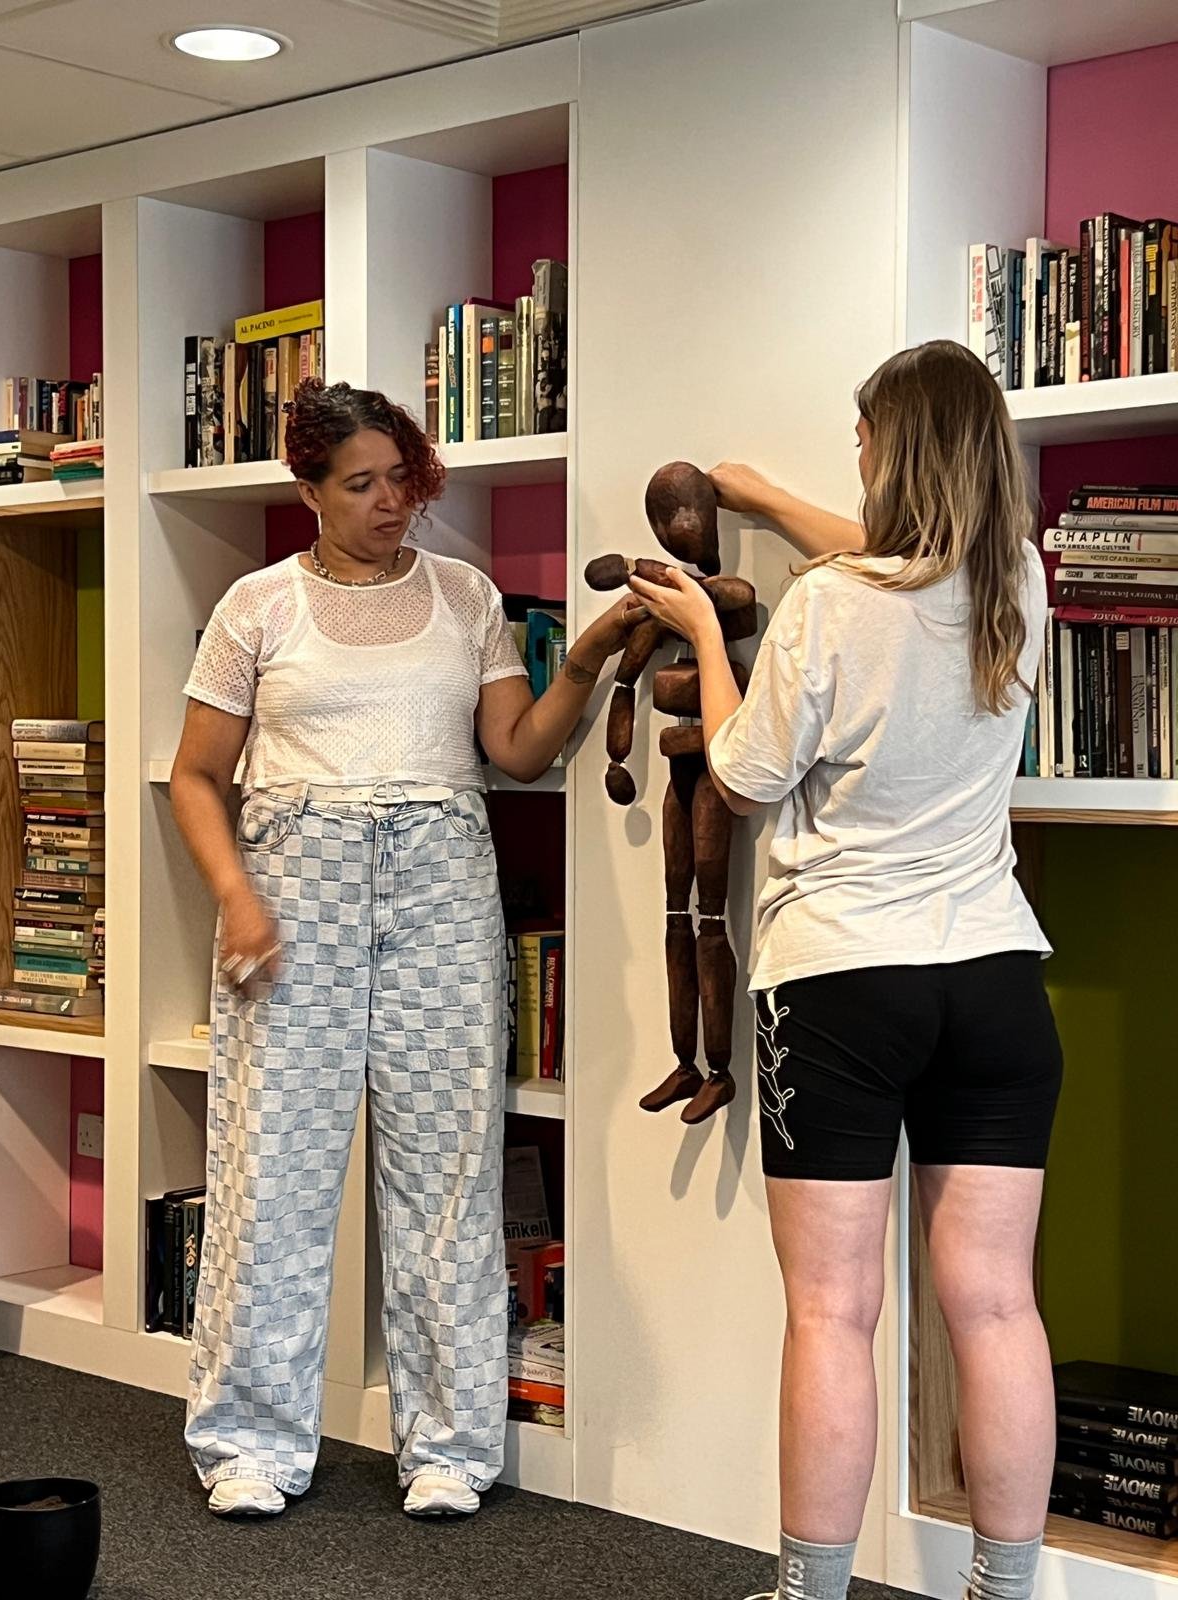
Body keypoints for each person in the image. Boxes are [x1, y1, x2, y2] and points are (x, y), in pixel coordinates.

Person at [631, 340, 1062, 1600]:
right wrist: (763, 499)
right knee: (994, 1309)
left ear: (896, 454)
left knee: (833, 1312)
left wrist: (710, 631)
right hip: (992, 981)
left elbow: (745, 772)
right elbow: (902, 555)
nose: (855, 461)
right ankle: (1006, 1588)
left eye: (865, 442)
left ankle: (810, 1593)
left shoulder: (823, 607)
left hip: (839, 987)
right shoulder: (1016, 583)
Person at [171, 378, 640, 1521]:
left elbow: (517, 750)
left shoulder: (466, 597)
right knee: (269, 1178)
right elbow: (193, 773)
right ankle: (250, 1444)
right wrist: (235, 895)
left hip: (440, 885)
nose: (392, 503)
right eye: (363, 484)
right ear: (310, 491)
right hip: (292, 890)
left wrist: (582, 661)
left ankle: (447, 1445)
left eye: (403, 479)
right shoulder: (255, 608)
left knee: (446, 1175)